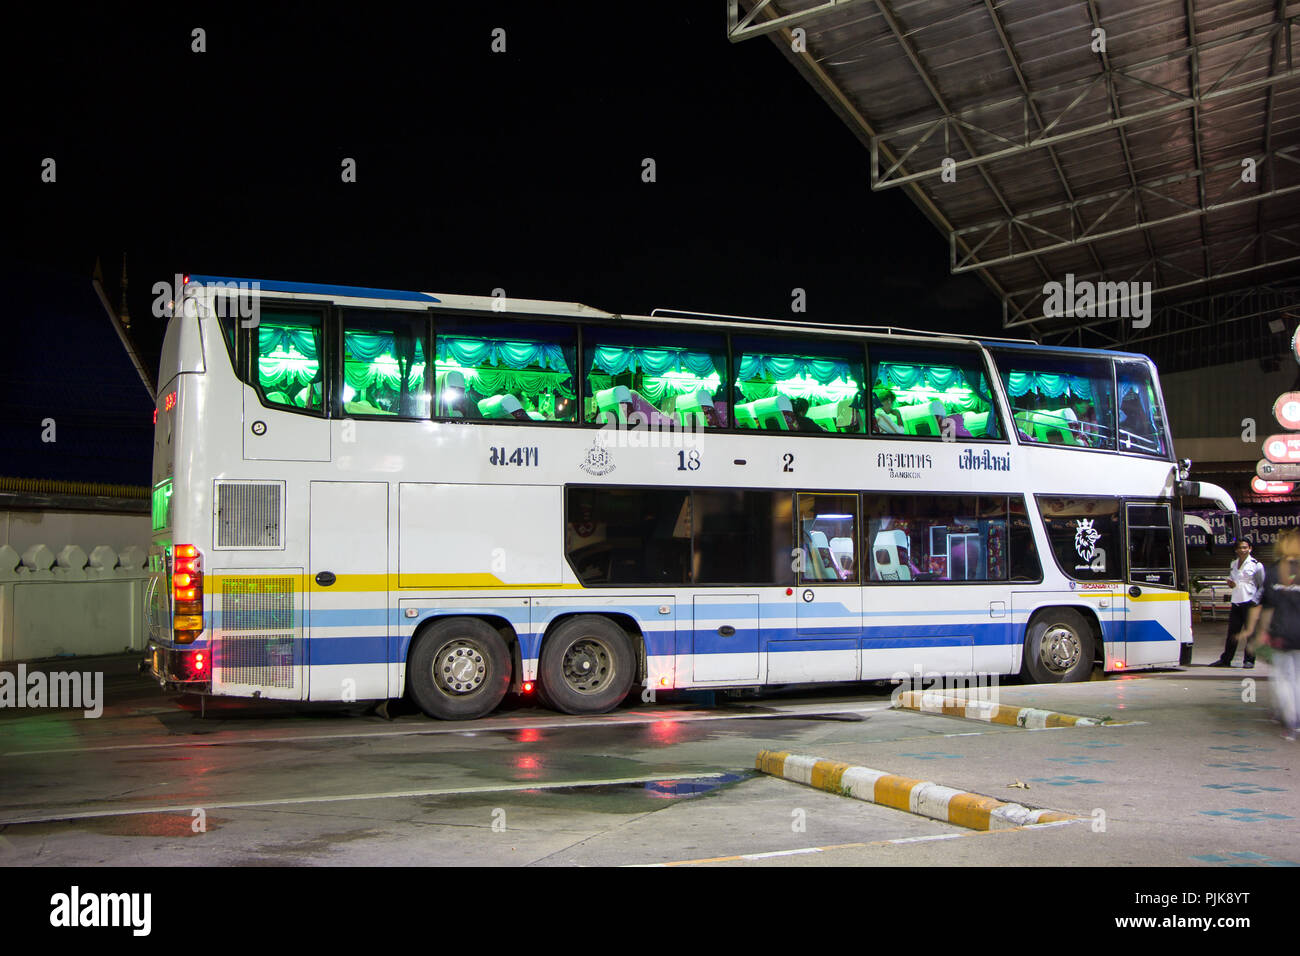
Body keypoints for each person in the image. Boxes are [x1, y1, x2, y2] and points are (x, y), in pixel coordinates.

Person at [1236, 528, 1300, 740]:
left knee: (1284, 678)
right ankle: (1296, 720)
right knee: (1298, 678)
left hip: (1282, 634)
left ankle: (1291, 721)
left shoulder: (1273, 572)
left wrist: (1254, 634)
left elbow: (1264, 607)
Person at [1213, 538, 1265, 668]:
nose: (1242, 550)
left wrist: (1256, 602)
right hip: (1236, 601)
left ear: (1250, 549)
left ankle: (1249, 660)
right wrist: (1230, 583)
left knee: (1250, 633)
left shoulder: (1256, 565)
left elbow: (1262, 586)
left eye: (1245, 547)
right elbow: (1233, 580)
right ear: (1236, 550)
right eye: (1240, 548)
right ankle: (1226, 659)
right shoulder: (1234, 563)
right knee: (1232, 633)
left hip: (1249, 602)